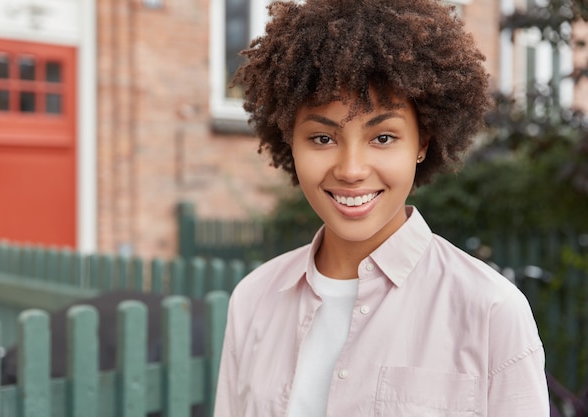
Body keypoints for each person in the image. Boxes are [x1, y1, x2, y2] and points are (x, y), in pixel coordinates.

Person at [213, 0, 550, 416]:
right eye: (322, 138)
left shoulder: (491, 312)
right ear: (289, 140)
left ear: (422, 142)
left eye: (383, 137)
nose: (351, 170)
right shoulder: (253, 300)